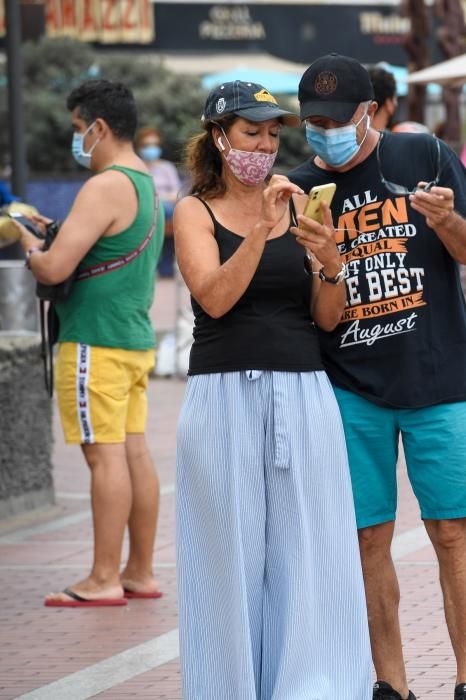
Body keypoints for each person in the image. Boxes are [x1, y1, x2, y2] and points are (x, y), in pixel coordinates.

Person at [173, 79, 372, 699]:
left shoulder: (304, 202)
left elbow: (329, 317)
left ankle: (307, 686)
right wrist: (259, 230)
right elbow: (215, 296)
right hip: (224, 395)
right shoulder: (192, 211)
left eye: (272, 132)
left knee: (304, 548)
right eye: (250, 131)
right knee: (227, 555)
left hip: (302, 391)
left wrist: (333, 261)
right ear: (219, 137)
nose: (264, 144)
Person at [289, 52, 466, 700]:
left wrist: (445, 220)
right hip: (351, 388)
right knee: (369, 539)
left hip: (439, 378)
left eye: (337, 119)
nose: (324, 131)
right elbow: (324, 318)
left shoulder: (424, 159)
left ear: (371, 112)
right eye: (312, 121)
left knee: (453, 532)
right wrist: (329, 261)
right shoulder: (302, 190)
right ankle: (390, 684)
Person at [14, 79, 165, 607]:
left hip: (91, 341)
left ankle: (102, 578)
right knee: (135, 454)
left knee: (104, 460)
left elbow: (55, 266)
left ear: (98, 127)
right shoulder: (145, 182)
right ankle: (138, 572)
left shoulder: (104, 185)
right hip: (132, 339)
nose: (78, 141)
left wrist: (32, 246)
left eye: (80, 130)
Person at [135, 126, 181, 277]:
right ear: (140, 147)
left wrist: (158, 198)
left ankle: (165, 269)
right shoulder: (136, 167)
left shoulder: (167, 167)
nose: (152, 148)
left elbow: (177, 193)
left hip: (165, 211)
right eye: (147, 145)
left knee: (164, 213)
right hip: (144, 211)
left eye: (154, 145)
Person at [368, 65, 398, 131]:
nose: (396, 104)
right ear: (389, 103)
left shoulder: (354, 138)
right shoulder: (397, 139)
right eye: (395, 98)